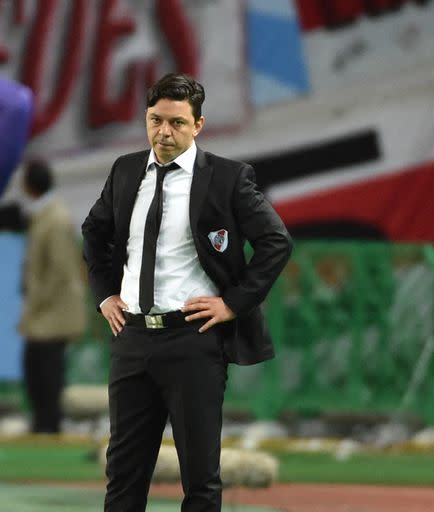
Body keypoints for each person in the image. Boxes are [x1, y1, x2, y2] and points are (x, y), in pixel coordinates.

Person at [81, 73, 292, 511]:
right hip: (132, 338)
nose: (164, 132)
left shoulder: (228, 179)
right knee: (123, 476)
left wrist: (234, 303)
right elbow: (93, 231)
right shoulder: (125, 171)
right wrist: (105, 295)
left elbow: (276, 242)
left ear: (198, 125)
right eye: (156, 120)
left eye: (177, 123)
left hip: (193, 340)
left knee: (199, 477)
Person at [16, 160, 86, 433]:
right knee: (36, 371)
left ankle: (48, 429)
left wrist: (35, 303)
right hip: (45, 312)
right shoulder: (43, 215)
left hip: (53, 312)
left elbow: (60, 272)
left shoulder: (54, 219)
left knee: (46, 374)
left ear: (30, 185)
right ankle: (42, 426)